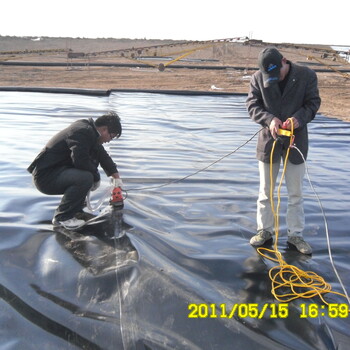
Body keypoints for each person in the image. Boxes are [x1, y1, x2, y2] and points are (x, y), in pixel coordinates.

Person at [246, 47, 321, 254]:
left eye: (276, 74)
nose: (274, 80)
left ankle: (295, 235)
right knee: (265, 193)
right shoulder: (257, 78)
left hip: (295, 143)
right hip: (269, 143)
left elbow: (313, 103)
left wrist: (299, 119)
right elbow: (252, 105)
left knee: (295, 193)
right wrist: (269, 120)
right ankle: (265, 231)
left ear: (284, 62)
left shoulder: (307, 76)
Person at [27, 111, 122, 230]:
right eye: (111, 136)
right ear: (104, 129)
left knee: (88, 174)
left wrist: (116, 177)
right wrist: (96, 178)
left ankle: (75, 208)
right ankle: (62, 218)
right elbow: (80, 161)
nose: (109, 140)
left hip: (55, 172)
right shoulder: (82, 131)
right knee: (86, 177)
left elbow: (102, 155)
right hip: (45, 178)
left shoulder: (90, 131)